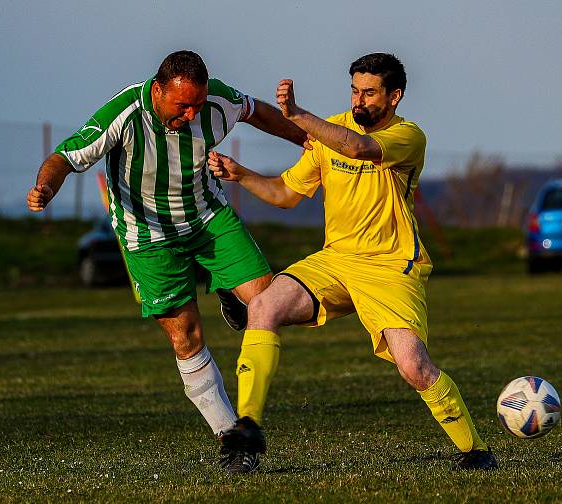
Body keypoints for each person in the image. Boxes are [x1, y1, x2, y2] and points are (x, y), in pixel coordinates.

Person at [208, 53, 496, 473]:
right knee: (263, 306)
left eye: (369, 93)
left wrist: (298, 116)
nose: (359, 101)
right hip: (335, 261)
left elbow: (358, 148)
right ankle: (248, 425)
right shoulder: (330, 129)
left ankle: (476, 450)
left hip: (390, 267)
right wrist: (242, 174)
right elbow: (286, 195)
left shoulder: (408, 135)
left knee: (414, 367)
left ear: (394, 96)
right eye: (355, 91)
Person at [26, 50, 307, 470]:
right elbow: (63, 158)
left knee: (271, 304)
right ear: (158, 91)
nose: (192, 114)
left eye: (197, 104)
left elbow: (258, 112)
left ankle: (231, 293)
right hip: (149, 238)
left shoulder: (215, 103)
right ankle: (235, 440)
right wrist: (44, 188)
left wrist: (308, 139)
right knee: (186, 337)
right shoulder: (123, 113)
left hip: (209, 219)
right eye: (182, 105)